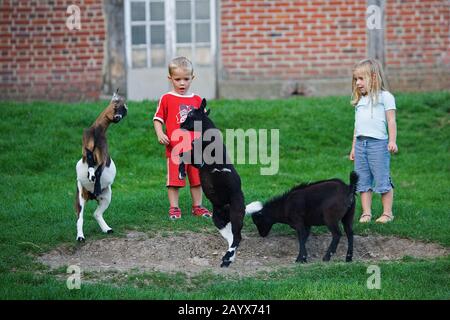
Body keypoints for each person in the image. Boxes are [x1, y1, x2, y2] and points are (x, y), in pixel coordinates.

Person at [153, 56, 212, 220]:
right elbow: (158, 119)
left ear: (192, 78)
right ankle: (174, 208)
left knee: (197, 180)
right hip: (176, 150)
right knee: (174, 181)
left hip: (196, 150)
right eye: (177, 79)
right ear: (170, 78)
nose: (182, 83)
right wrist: (160, 133)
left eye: (186, 79)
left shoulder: (197, 100)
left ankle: (197, 207)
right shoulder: (166, 98)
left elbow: (204, 122)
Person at [349, 58, 398, 224]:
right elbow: (357, 127)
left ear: (374, 78)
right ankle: (366, 213)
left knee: (382, 177)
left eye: (361, 79)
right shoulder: (360, 101)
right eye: (356, 79)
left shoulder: (385, 97)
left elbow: (391, 120)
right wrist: (354, 148)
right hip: (361, 145)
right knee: (362, 179)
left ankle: (387, 213)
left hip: (378, 144)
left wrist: (392, 141)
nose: (358, 83)